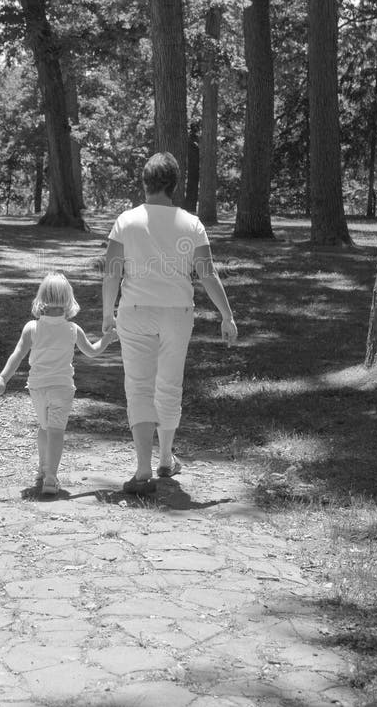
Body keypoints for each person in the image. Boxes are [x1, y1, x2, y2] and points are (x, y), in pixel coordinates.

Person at [102, 151, 238, 495]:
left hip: (134, 309)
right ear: (175, 185)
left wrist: (107, 313)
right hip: (178, 312)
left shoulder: (126, 221)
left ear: (144, 183)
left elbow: (112, 273)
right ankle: (165, 459)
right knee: (169, 385)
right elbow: (207, 274)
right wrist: (227, 315)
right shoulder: (191, 224)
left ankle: (142, 468)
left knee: (138, 386)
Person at [0, 272, 117, 496]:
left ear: (41, 299)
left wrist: (2, 378)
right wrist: (107, 339)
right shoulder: (72, 329)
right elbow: (92, 352)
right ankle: (51, 476)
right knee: (56, 431)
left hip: (38, 387)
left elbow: (17, 355)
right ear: (69, 300)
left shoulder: (32, 328)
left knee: (44, 428)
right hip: (62, 388)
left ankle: (42, 469)